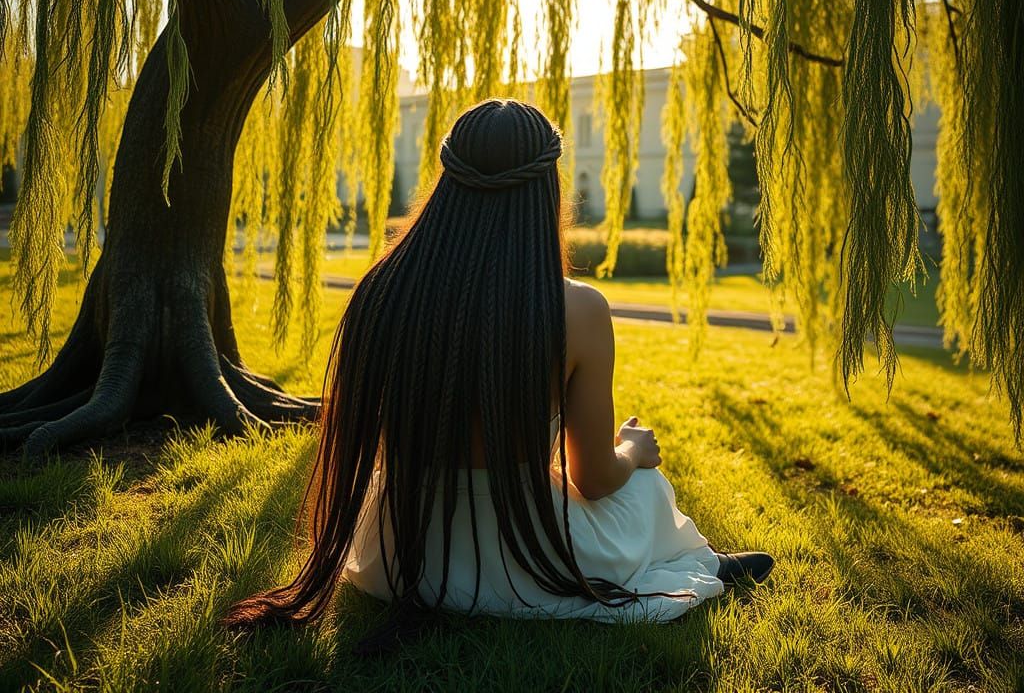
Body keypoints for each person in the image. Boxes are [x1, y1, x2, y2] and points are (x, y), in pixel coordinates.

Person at [225, 99, 772, 649]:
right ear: (546, 190)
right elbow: (596, 479)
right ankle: (707, 564)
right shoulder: (578, 309)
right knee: (645, 485)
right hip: (527, 557)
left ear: (447, 185)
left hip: (397, 554)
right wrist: (632, 449)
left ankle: (707, 562)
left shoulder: (382, 291)